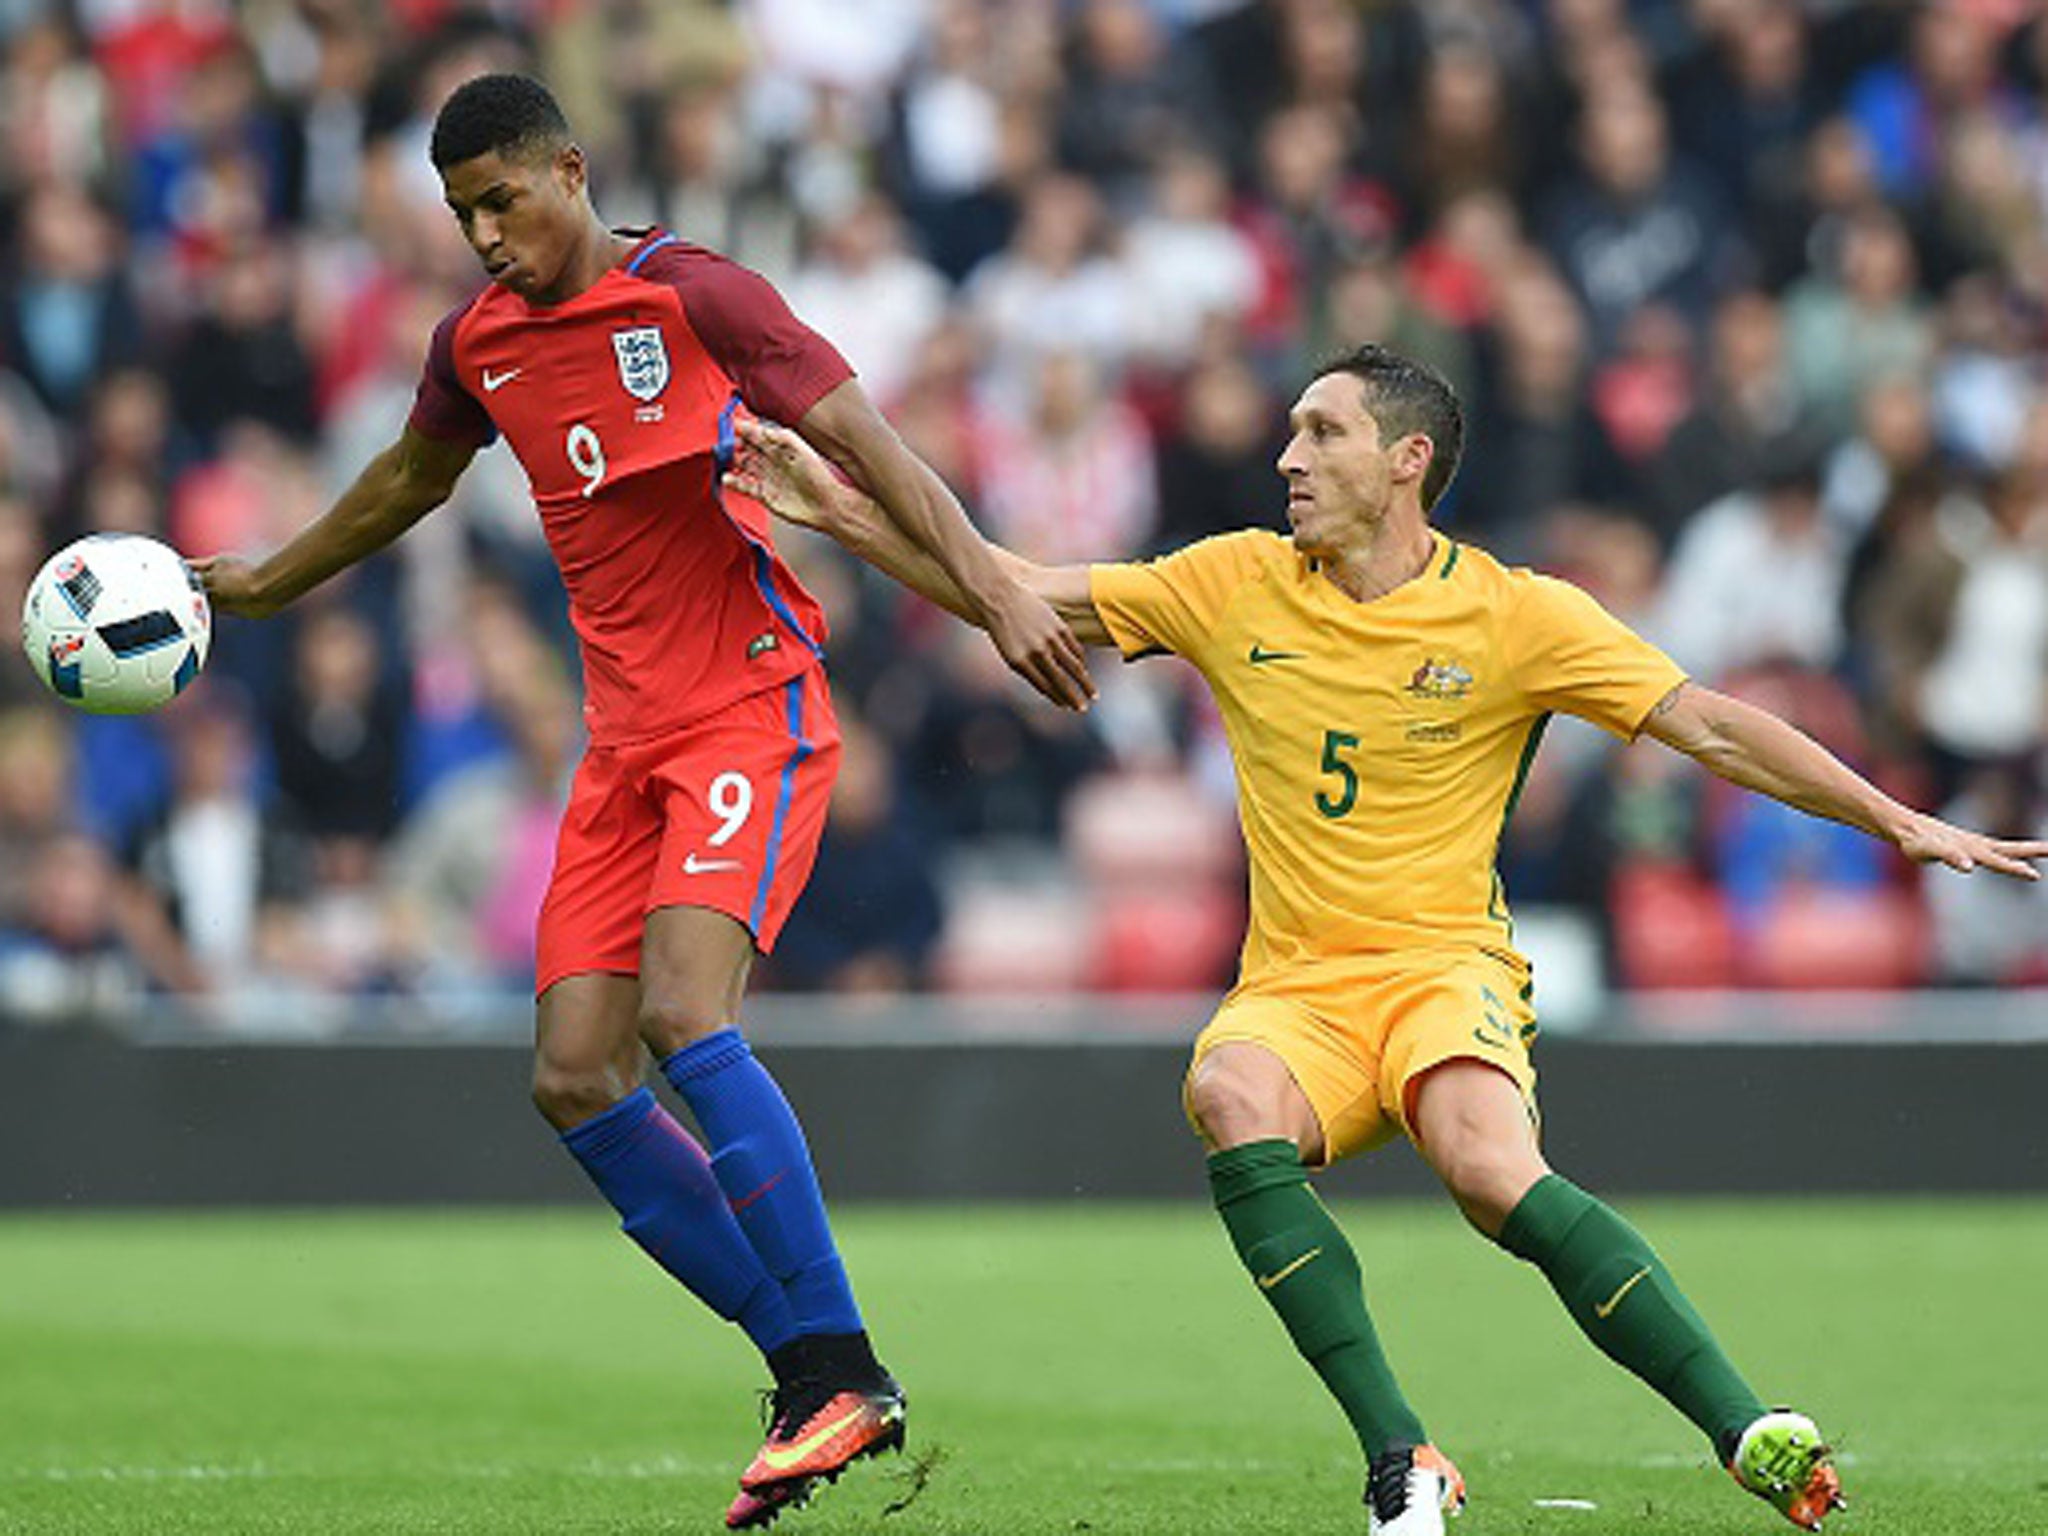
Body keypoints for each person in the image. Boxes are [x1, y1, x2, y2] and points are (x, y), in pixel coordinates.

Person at [726, 342, 2048, 1536]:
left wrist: (1896, 820)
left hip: (1445, 973)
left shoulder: (1519, 616)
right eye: (1290, 432)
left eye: (1321, 433)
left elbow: (1706, 723)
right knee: (1226, 1091)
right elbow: (1010, 592)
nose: (1288, 457)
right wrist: (839, 513)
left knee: (1486, 1169)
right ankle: (1402, 1458)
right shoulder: (1232, 581)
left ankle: (1745, 1429)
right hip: (1297, 987)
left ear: (1406, 461)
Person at [193, 73, 1094, 1532]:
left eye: (504, 199)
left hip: (753, 704)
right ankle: (811, 1367)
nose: (486, 236)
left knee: (689, 1012)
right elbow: (403, 484)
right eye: (461, 213)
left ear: (571, 169)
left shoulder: (701, 298)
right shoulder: (477, 345)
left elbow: (869, 445)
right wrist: (268, 580)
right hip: (622, 752)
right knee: (570, 1073)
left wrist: (993, 592)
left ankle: (844, 1367)